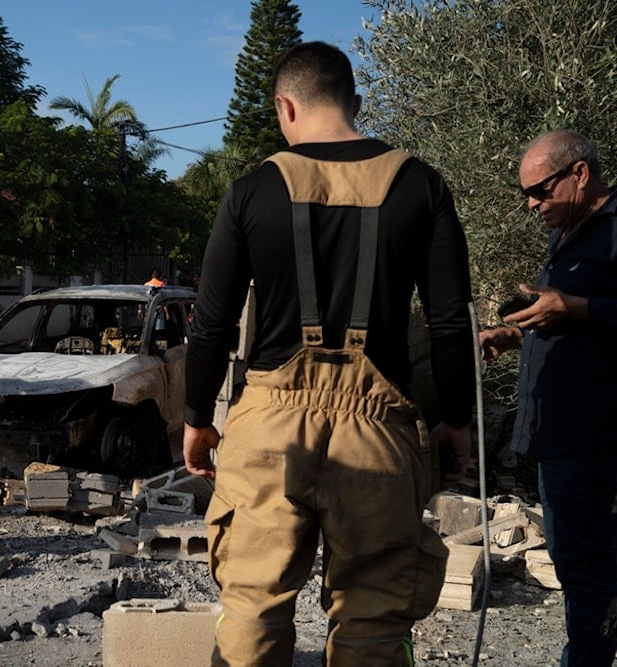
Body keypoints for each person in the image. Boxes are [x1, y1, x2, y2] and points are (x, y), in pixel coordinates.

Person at [183, 42, 475, 665]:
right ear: (357, 103)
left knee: (253, 612)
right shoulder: (420, 184)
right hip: (379, 433)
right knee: (373, 620)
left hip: (267, 431)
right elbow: (451, 322)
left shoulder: (252, 189)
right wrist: (456, 419)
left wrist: (196, 418)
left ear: (284, 106)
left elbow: (210, 322)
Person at [479, 129, 617, 666]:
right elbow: (561, 319)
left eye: (539, 191)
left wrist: (578, 308)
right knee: (574, 565)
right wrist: (512, 334)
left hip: (598, 443)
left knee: (590, 572)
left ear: (579, 174)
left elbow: (580, 312)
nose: (532, 205)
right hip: (557, 438)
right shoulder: (566, 234)